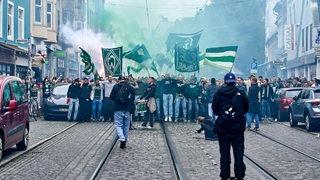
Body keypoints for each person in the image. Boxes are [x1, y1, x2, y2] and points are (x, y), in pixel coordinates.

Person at [212, 72, 249, 180]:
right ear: (235, 82)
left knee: (224, 154)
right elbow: (246, 108)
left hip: (224, 128)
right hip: (237, 128)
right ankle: (239, 175)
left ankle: (225, 176)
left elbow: (215, 110)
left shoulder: (218, 94)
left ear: (224, 82)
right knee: (238, 154)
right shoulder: (241, 93)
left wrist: (224, 115)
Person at [110, 76, 135, 149]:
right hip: (127, 109)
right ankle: (125, 140)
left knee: (118, 125)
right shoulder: (130, 87)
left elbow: (111, 97)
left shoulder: (115, 87)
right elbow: (132, 99)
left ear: (119, 80)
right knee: (126, 126)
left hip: (118, 108)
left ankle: (122, 138)